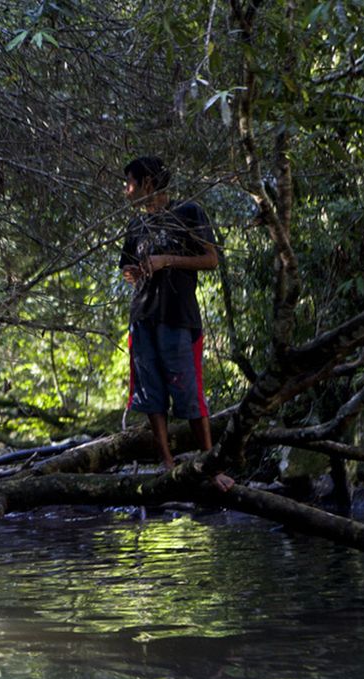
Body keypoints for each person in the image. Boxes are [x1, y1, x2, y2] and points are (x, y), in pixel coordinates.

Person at [119, 156, 233, 491]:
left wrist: (167, 260)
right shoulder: (135, 226)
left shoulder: (188, 213)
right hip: (142, 317)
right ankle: (167, 466)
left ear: (148, 184)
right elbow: (127, 269)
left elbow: (210, 259)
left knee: (189, 394)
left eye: (130, 183)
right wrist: (135, 272)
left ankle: (211, 468)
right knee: (151, 394)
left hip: (179, 318)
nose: (126, 191)